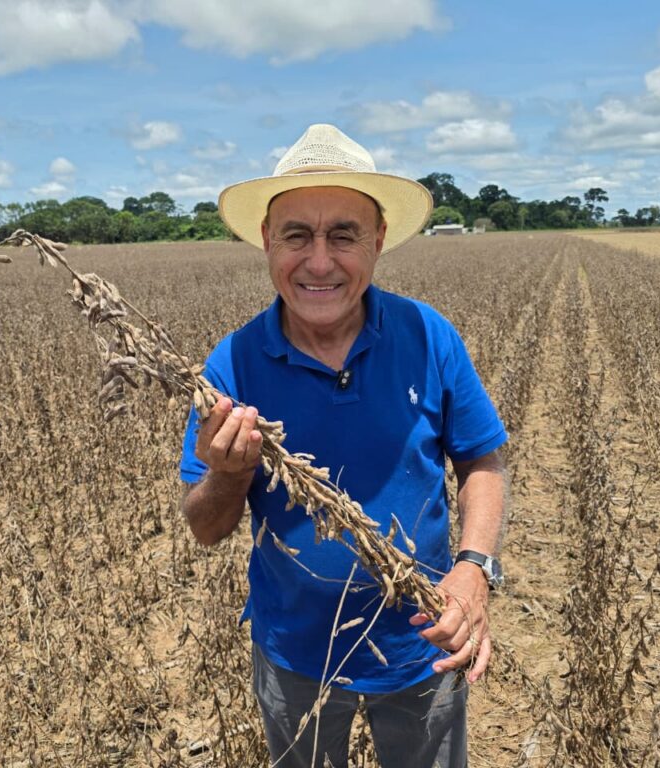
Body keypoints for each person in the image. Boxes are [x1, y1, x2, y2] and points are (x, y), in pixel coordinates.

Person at [179, 123, 509, 768]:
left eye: (344, 235)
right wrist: (226, 476)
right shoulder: (233, 364)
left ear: (379, 241)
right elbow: (206, 528)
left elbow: (480, 459)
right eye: (297, 235)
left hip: (424, 634)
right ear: (268, 244)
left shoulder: (428, 334)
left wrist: (474, 570)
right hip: (295, 650)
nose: (320, 261)